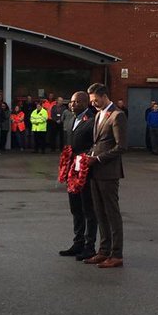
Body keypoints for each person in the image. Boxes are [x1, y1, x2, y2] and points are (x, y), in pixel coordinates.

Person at [85, 83, 127, 268]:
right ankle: (103, 251)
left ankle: (116, 254)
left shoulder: (117, 115)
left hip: (109, 173)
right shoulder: (98, 115)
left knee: (112, 213)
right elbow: (98, 143)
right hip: (95, 172)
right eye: (91, 101)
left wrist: (98, 159)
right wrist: (87, 156)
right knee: (99, 212)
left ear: (104, 96)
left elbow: (121, 147)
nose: (93, 103)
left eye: (95, 100)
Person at [59, 90, 98, 260]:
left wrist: (86, 156)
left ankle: (90, 246)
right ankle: (78, 243)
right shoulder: (72, 119)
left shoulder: (91, 120)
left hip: (85, 169)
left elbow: (96, 144)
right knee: (75, 208)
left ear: (85, 103)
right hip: (72, 169)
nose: (72, 104)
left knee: (88, 208)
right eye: (71, 102)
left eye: (76, 102)